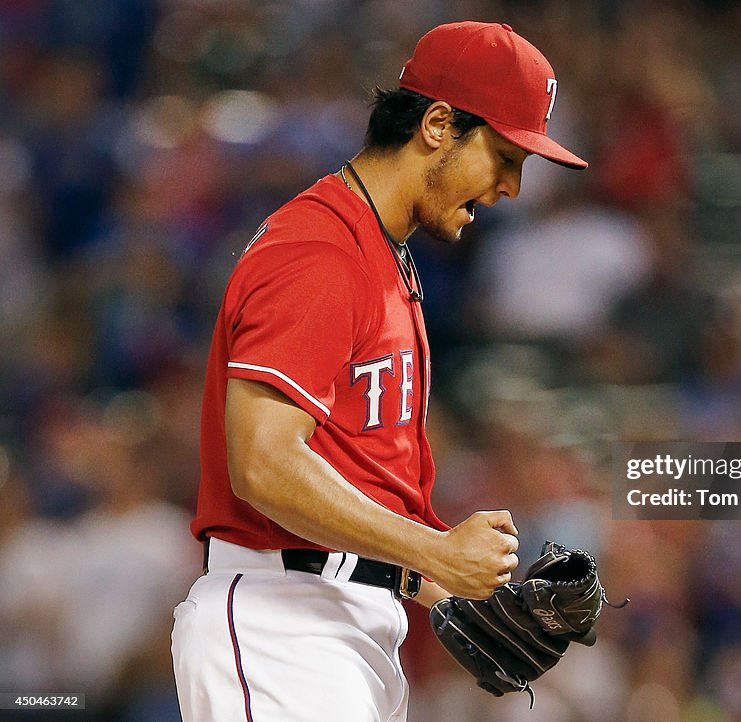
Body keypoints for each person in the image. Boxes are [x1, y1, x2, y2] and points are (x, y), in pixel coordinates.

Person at [170, 20, 587, 722]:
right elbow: (264, 463)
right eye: (506, 156)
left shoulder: (383, 258)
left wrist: (452, 586)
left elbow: (356, 485)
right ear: (436, 124)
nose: (512, 187)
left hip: (344, 627)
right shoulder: (319, 251)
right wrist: (435, 549)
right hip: (283, 622)